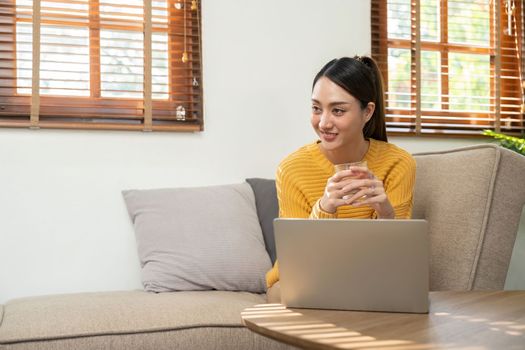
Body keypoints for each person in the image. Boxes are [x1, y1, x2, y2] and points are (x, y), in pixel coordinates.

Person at [265, 56, 416, 303]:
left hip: (370, 281)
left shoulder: (398, 164)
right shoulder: (291, 168)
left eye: (338, 110)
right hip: (301, 281)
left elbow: (396, 263)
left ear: (367, 112)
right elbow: (299, 262)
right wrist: (324, 208)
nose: (323, 123)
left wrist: (386, 215)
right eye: (316, 108)